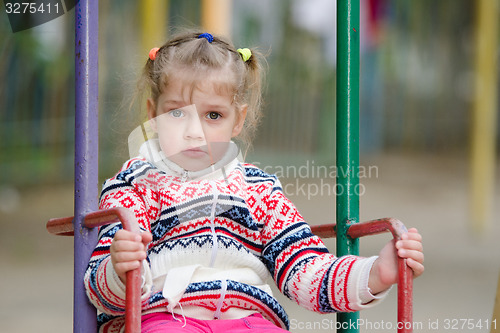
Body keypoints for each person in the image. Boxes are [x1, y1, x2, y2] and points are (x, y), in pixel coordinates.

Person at [84, 31, 424, 333]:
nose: (194, 131)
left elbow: (306, 270)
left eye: (213, 115)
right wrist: (119, 267)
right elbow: (104, 297)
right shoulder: (134, 186)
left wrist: (376, 274)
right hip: (166, 315)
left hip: (249, 320)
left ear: (237, 121)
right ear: (152, 114)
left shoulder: (258, 191)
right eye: (176, 113)